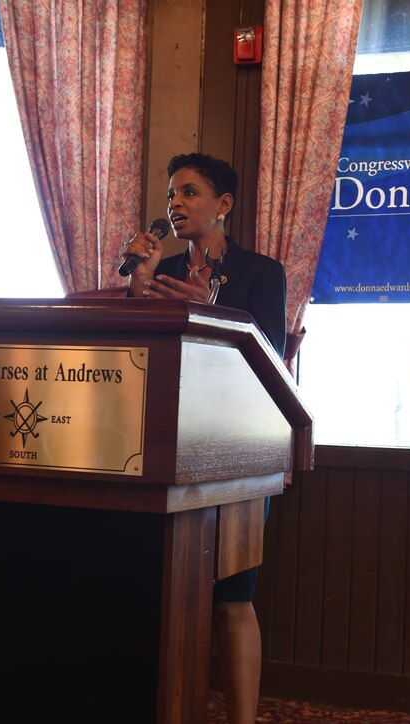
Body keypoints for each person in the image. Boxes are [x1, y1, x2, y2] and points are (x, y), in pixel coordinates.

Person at [122, 152, 285, 724]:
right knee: (159, 598)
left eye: (189, 192)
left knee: (231, 600)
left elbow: (270, 361)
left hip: (239, 450)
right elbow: (131, 356)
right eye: (172, 194)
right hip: (164, 449)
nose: (175, 203)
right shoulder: (160, 271)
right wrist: (138, 284)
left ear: (224, 204)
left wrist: (213, 312)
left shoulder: (262, 274)